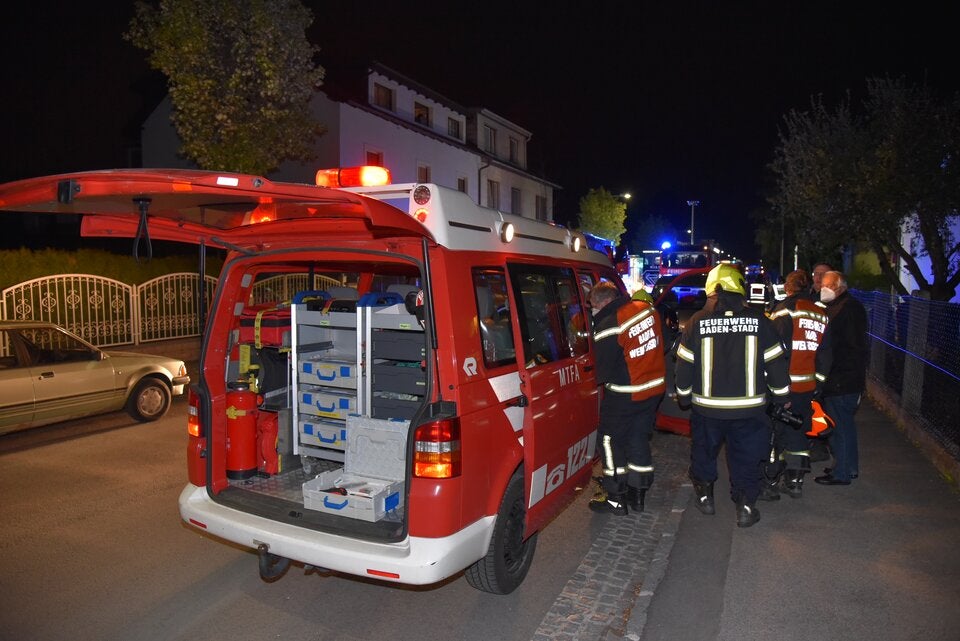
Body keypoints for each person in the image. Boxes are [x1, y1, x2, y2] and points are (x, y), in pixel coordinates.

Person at [675, 263, 791, 527]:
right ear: (740, 287)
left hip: (707, 410)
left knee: (704, 453)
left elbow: (684, 367)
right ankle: (746, 507)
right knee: (747, 458)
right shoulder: (761, 321)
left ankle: (705, 499)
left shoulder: (696, 322)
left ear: (712, 290)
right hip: (750, 412)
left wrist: (683, 398)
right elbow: (776, 364)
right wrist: (783, 397)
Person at [587, 281, 667, 516]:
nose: (593, 311)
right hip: (653, 390)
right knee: (638, 439)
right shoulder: (647, 309)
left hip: (625, 393)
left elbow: (601, 371)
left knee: (610, 441)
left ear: (603, 302)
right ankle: (638, 495)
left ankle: (615, 498)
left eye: (592, 306)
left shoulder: (610, 324)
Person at [764, 269, 832, 499]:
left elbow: (776, 352)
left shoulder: (784, 312)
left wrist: (772, 384)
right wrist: (818, 385)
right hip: (807, 387)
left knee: (777, 432)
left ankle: (771, 480)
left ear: (789, 287)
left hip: (785, 386)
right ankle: (795, 481)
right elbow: (825, 354)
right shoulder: (820, 313)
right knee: (799, 432)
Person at [815, 271, 869, 486]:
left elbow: (845, 348)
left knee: (839, 427)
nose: (822, 288)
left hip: (842, 379)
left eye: (827, 284)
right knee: (845, 426)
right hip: (846, 378)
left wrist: (832, 375)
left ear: (839, 287)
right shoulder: (845, 307)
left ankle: (842, 473)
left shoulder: (846, 310)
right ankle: (847, 467)